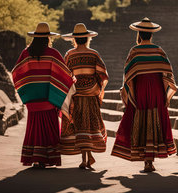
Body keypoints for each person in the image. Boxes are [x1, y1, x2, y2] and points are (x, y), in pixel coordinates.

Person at [111, 17, 177, 172]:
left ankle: (146, 160)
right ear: (151, 35)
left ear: (139, 34)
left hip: (140, 90)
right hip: (156, 90)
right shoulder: (159, 51)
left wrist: (129, 95)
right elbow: (167, 75)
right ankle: (150, 159)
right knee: (154, 122)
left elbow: (128, 77)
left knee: (142, 121)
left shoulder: (134, 51)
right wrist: (166, 97)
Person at [12, 22, 75, 168]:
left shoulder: (26, 53)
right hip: (49, 99)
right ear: (48, 38)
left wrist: (27, 90)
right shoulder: (53, 54)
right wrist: (71, 80)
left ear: (34, 37)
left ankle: (35, 157)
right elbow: (65, 74)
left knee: (35, 128)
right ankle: (47, 159)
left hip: (33, 100)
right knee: (49, 128)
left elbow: (16, 72)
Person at [60, 23, 108, 169]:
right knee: (91, 125)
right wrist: (98, 89)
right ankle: (89, 156)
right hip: (91, 96)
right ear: (87, 39)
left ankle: (84, 158)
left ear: (74, 39)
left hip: (77, 96)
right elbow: (102, 75)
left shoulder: (69, 55)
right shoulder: (94, 54)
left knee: (80, 126)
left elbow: (66, 76)